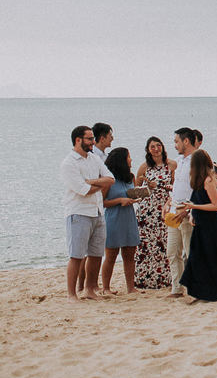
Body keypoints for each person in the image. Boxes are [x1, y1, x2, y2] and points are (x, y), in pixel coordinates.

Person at [62, 125, 114, 300]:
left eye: (93, 138)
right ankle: (71, 294)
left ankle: (90, 289)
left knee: (96, 254)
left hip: (97, 211)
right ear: (78, 140)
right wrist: (99, 184)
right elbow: (82, 189)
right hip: (79, 213)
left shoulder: (93, 158)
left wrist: (93, 182)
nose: (93, 142)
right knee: (76, 255)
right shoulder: (69, 163)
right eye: (90, 139)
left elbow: (110, 179)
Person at [178, 150, 217, 302]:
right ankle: (201, 292)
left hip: (211, 225)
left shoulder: (209, 180)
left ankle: (215, 292)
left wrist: (194, 208)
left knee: (211, 258)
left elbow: (216, 206)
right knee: (198, 258)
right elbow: (195, 202)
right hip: (201, 224)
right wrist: (192, 214)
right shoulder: (198, 180)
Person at [133, 136, 175, 290]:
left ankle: (166, 279)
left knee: (164, 244)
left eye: (158, 145)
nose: (156, 149)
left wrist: (160, 187)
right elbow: (136, 193)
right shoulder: (144, 167)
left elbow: (176, 189)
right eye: (152, 146)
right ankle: (144, 279)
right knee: (146, 245)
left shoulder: (171, 165)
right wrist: (148, 188)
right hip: (147, 210)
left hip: (164, 208)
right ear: (148, 150)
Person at [100, 148, 140, 295]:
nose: (131, 160)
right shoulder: (108, 180)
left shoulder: (131, 177)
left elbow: (132, 193)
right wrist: (119, 200)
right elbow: (102, 202)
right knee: (110, 255)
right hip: (113, 218)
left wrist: (137, 196)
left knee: (130, 255)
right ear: (122, 161)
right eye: (129, 157)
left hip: (129, 217)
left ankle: (131, 287)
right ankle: (106, 288)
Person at [166, 127, 198, 298]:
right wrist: (169, 202)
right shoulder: (180, 161)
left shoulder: (197, 160)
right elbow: (178, 185)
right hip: (174, 210)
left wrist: (188, 208)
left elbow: (198, 188)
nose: (175, 145)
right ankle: (177, 287)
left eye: (176, 141)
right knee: (172, 251)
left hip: (188, 211)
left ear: (186, 141)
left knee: (190, 251)